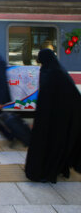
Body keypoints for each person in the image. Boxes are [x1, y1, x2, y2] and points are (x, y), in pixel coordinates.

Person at [25, 49, 81, 183]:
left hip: (49, 119)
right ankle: (58, 169)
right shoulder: (59, 71)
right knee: (58, 144)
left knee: (47, 145)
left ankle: (45, 173)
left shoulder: (50, 72)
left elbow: (46, 99)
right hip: (61, 118)